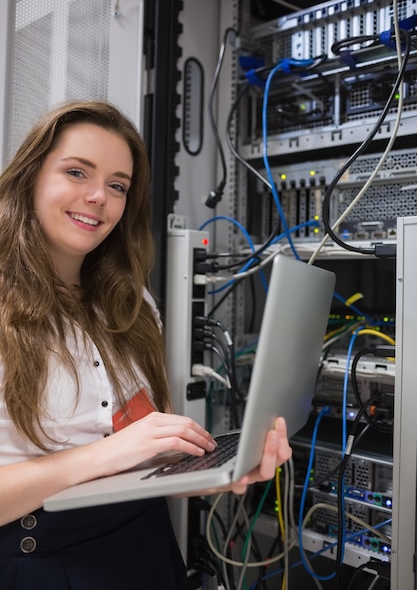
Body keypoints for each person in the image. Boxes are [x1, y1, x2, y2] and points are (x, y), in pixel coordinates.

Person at [0, 100, 292, 589]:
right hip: (43, 562)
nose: (99, 197)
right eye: (77, 172)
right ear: (30, 177)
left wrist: (211, 472)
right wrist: (109, 454)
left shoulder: (131, 304)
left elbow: (144, 458)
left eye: (118, 186)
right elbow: (118, 453)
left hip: (147, 547)